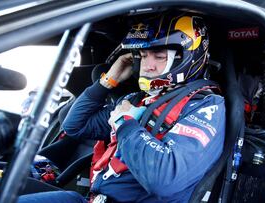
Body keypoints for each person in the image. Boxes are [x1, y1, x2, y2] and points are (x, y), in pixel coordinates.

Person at [18, 13, 225, 203]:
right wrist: (108, 81)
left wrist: (125, 123)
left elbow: (166, 180)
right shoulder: (137, 100)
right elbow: (74, 126)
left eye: (159, 56)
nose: (147, 65)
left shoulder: (206, 106)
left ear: (186, 57)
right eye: (143, 56)